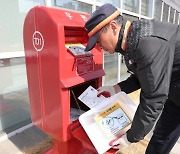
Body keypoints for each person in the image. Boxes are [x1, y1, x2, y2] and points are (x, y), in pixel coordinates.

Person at [84, 3, 180, 154]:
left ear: (113, 27)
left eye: (98, 40)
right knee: (162, 137)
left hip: (174, 86)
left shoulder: (147, 43)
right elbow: (145, 74)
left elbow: (153, 97)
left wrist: (130, 137)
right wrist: (116, 88)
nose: (99, 46)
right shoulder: (133, 38)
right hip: (175, 91)